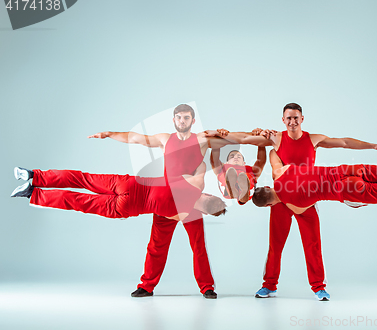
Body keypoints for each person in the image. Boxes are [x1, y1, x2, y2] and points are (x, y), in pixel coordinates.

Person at [214, 102, 377, 301]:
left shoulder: (313, 139)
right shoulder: (276, 138)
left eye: (296, 117)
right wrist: (219, 133)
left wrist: (372, 146)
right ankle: (269, 286)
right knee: (276, 245)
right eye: (288, 118)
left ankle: (318, 287)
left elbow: (343, 142)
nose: (292, 121)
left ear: (302, 119)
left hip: (306, 201)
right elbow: (245, 138)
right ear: (283, 120)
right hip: (280, 200)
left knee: (313, 244)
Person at [88, 104, 229, 299]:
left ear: (193, 121)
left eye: (186, 118)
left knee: (198, 246)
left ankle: (207, 287)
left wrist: (223, 133)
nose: (182, 121)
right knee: (156, 246)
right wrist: (110, 134)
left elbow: (231, 138)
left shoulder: (201, 140)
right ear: (174, 120)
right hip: (165, 201)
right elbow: (136, 138)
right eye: (179, 117)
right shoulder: (165, 139)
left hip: (192, 202)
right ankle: (146, 286)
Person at [11, 164, 227, 221]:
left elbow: (203, 160)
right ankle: (31, 193)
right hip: (128, 207)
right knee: (79, 202)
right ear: (205, 213)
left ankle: (33, 174)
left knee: (82, 179)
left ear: (209, 195)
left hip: (130, 185)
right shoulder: (183, 215)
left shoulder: (196, 184)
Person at [210, 139, 266, 204]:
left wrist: (261, 143)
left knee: (248, 175)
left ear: (243, 163)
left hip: (247, 185)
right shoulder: (223, 168)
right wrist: (216, 144)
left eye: (239, 157)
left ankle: (244, 193)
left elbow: (261, 161)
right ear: (227, 162)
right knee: (224, 173)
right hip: (227, 189)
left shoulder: (250, 170)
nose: (236, 157)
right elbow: (214, 160)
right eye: (232, 156)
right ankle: (231, 188)